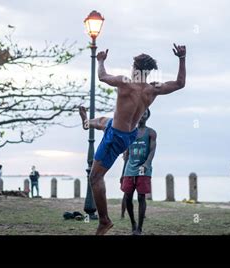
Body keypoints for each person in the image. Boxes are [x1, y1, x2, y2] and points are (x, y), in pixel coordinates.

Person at [79, 44, 186, 235]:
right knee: (104, 121)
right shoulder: (153, 89)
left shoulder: (125, 82)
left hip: (116, 136)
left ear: (135, 68)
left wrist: (100, 60)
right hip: (128, 135)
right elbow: (179, 83)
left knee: (95, 178)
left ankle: (104, 220)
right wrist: (182, 58)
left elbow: (102, 76)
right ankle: (87, 122)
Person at [120, 109, 156, 235]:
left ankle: (139, 228)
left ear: (147, 116)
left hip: (143, 169)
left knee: (141, 197)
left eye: (144, 113)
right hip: (129, 169)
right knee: (128, 197)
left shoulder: (151, 132)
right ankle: (133, 223)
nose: (142, 115)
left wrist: (146, 164)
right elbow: (127, 154)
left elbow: (152, 151)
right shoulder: (130, 132)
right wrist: (123, 172)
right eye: (140, 113)